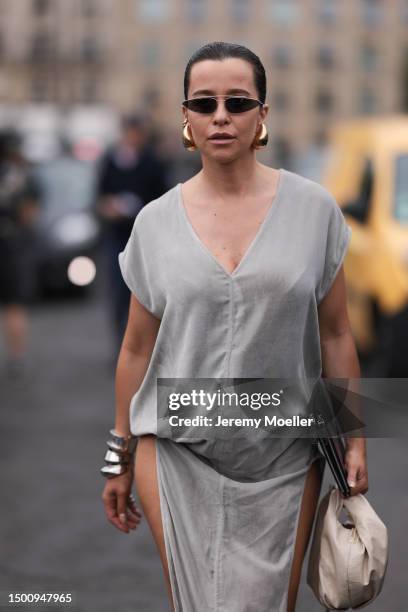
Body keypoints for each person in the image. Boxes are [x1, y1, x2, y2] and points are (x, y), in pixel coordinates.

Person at [101, 42, 368, 612]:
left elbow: (338, 334)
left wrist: (357, 435)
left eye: (237, 101)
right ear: (187, 118)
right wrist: (117, 456)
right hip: (174, 448)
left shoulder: (315, 210)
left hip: (287, 450)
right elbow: (134, 350)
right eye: (204, 102)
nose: (220, 115)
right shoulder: (154, 223)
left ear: (262, 116)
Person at [95, 114, 169, 353]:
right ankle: (122, 347)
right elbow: (100, 195)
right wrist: (109, 207)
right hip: (118, 236)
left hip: (146, 238)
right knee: (118, 295)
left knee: (146, 295)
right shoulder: (110, 160)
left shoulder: (152, 162)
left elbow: (162, 196)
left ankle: (147, 348)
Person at [0, 130, 41, 378]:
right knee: (14, 306)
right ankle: (17, 358)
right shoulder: (23, 176)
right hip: (12, 245)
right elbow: (30, 214)